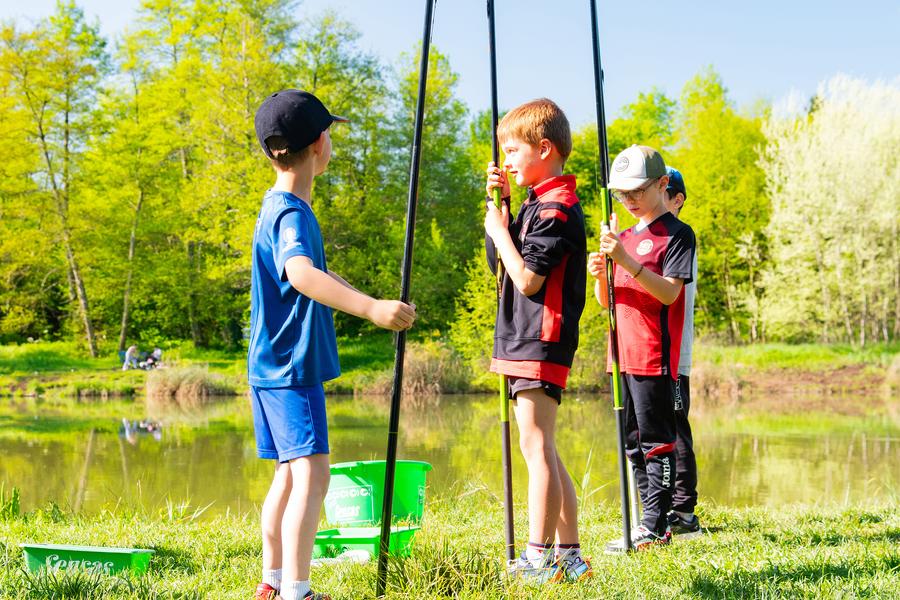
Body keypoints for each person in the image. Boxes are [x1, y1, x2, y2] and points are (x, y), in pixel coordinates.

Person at [249, 89, 416, 600]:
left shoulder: (276, 204)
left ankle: (273, 583)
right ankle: (299, 591)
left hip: (269, 367)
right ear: (321, 143)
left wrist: (354, 291)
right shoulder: (294, 214)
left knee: (288, 475)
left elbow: (311, 273)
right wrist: (371, 309)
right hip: (293, 367)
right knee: (313, 475)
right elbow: (300, 275)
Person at [483, 98, 590, 584]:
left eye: (512, 150)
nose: (506, 160)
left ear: (544, 148)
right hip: (522, 337)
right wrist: (501, 212)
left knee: (535, 445)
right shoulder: (534, 204)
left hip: (539, 338)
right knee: (544, 447)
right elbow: (499, 268)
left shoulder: (558, 208)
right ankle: (570, 557)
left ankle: (537, 558)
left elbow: (526, 279)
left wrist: (501, 235)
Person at [587, 145, 696, 552]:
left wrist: (627, 263)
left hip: (655, 354)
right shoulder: (624, 236)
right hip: (622, 356)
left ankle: (658, 525)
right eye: (622, 194)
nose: (629, 200)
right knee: (633, 442)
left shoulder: (678, 234)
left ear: (662, 184)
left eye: (637, 191)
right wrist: (601, 274)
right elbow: (606, 300)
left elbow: (669, 293)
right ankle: (645, 519)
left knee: (657, 441)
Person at [662, 167, 702, 538]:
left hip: (674, 356)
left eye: (665, 191)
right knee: (647, 432)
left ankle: (683, 511)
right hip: (643, 357)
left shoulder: (680, 238)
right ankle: (657, 508)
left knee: (676, 429)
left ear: (678, 200)